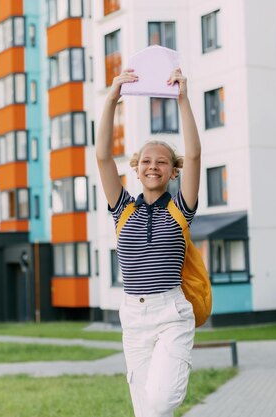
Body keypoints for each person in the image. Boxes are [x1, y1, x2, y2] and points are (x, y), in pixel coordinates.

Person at [96, 67, 201, 417]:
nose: (152, 166)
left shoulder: (179, 209)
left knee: (158, 403)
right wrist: (112, 98)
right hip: (133, 317)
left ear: (173, 171)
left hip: (170, 314)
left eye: (162, 162)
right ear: (136, 169)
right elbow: (101, 157)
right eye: (145, 161)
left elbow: (196, 156)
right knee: (146, 413)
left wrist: (183, 101)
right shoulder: (123, 209)